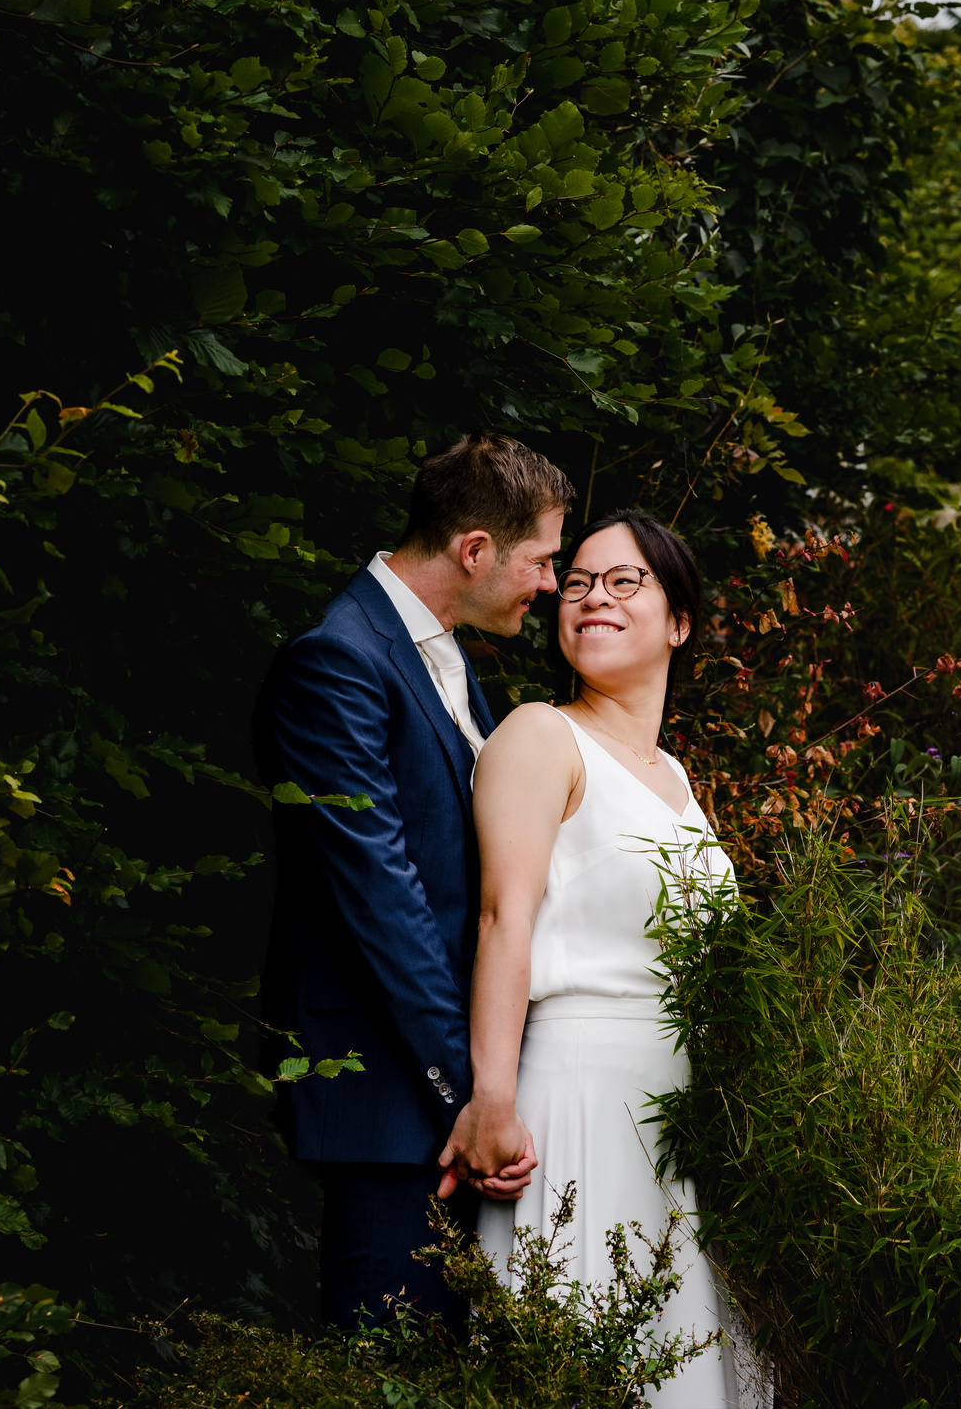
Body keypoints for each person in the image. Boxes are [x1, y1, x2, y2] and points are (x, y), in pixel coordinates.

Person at [256, 432, 574, 1331]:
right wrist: (471, 1090)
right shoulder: (337, 662)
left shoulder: (438, 653)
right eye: (543, 560)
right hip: (394, 1099)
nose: (551, 585)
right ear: (475, 550)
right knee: (392, 1365)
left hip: (445, 1095)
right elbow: (383, 900)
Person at [439, 508, 741, 1406]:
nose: (591, 598)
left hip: (679, 1123)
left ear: (679, 620)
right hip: (578, 1102)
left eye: (623, 581)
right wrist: (492, 1096)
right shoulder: (540, 735)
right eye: (575, 583)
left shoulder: (677, 778)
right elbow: (504, 919)